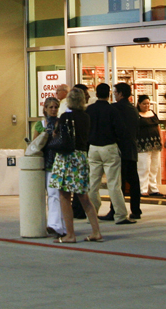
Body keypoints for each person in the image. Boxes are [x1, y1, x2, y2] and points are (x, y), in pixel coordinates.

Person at [50, 86, 102, 243]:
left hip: (67, 157)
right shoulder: (86, 117)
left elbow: (59, 136)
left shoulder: (65, 117)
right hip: (81, 156)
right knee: (84, 197)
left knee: (64, 195)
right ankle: (96, 231)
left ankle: (70, 234)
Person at [86, 83, 133, 225]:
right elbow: (120, 130)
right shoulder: (112, 110)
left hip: (93, 148)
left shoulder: (90, 110)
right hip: (109, 147)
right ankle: (120, 215)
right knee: (113, 183)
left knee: (93, 183)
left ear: (96, 94)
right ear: (109, 94)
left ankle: (92, 214)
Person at [111, 82, 142, 221]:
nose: (114, 95)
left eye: (115, 92)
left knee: (118, 182)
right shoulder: (133, 109)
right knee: (133, 181)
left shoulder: (115, 109)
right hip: (131, 148)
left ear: (121, 94)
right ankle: (136, 210)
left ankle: (116, 210)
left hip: (118, 148)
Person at [36, 97, 67, 237]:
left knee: (58, 194)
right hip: (46, 163)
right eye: (51, 107)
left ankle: (56, 225)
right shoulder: (39, 125)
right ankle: (59, 226)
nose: (53, 110)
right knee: (52, 194)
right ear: (45, 109)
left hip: (60, 162)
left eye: (56, 107)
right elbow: (34, 145)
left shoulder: (62, 123)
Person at [134, 94, 163, 196]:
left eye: (148, 104)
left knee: (154, 167)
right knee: (144, 167)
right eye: (144, 104)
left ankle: (153, 187)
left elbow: (158, 126)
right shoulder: (137, 114)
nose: (146, 106)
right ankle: (143, 188)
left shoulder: (153, 113)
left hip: (155, 143)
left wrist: (161, 140)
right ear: (139, 104)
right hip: (142, 144)